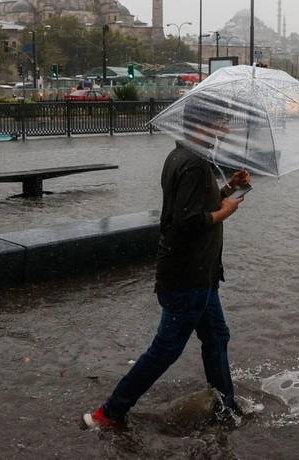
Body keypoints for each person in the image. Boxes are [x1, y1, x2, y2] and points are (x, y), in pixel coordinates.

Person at [83, 95, 250, 429]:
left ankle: (226, 407)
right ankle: (110, 412)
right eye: (223, 120)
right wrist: (224, 212)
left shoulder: (183, 156)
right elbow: (185, 223)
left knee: (216, 337)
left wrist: (227, 188)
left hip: (201, 275)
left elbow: (191, 206)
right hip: (187, 277)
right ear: (205, 123)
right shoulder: (193, 163)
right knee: (165, 350)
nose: (228, 127)